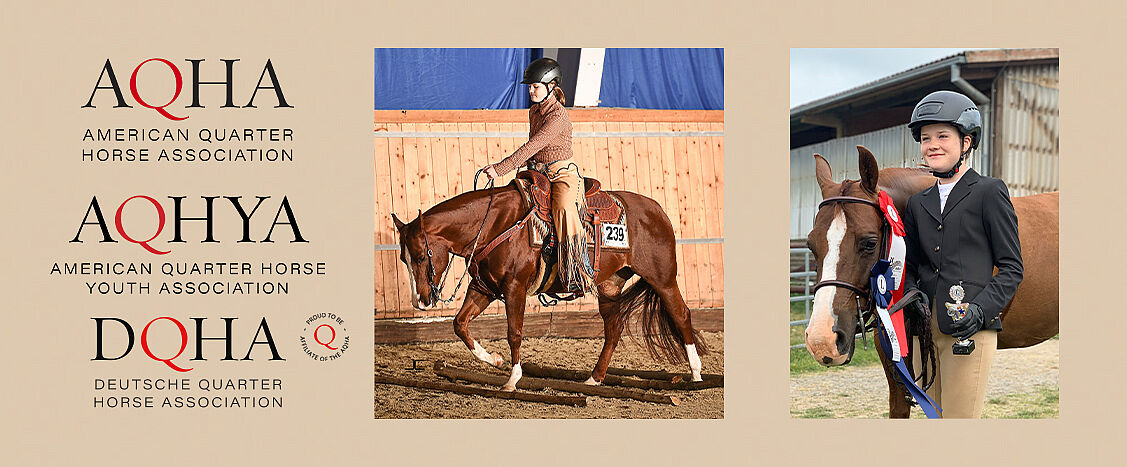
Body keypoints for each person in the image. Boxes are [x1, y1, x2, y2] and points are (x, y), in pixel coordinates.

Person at [901, 90, 1024, 418]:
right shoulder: (917, 203)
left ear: (966, 142)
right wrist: (912, 294)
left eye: (943, 135)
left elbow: (1012, 267)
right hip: (925, 333)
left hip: (969, 331)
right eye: (926, 138)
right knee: (932, 420)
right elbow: (911, 265)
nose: (932, 145)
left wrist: (980, 311)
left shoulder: (988, 191)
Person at [483, 57, 595, 294]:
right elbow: (532, 150)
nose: (531, 91)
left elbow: (534, 145)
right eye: (530, 86)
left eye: (535, 86)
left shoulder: (558, 116)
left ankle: (579, 269)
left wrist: (501, 168)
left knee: (564, 207)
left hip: (562, 174)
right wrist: (508, 167)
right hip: (538, 172)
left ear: (552, 86)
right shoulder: (534, 111)